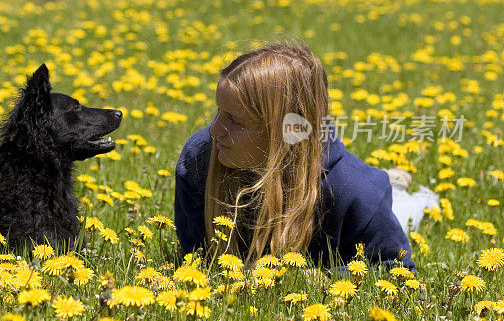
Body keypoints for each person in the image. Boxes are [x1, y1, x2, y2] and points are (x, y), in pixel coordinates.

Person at [174, 42, 416, 270]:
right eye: (219, 112)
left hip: (366, 195)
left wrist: (327, 277)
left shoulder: (355, 194)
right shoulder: (200, 158)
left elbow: (394, 268)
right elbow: (197, 257)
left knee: (407, 212)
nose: (215, 130)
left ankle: (395, 187)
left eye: (235, 121)